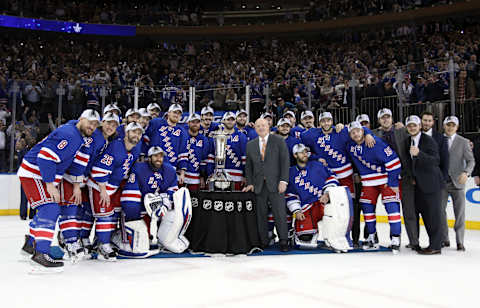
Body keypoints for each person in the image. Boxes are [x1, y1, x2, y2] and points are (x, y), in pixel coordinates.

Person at [18, 109, 100, 272]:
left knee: (47, 209)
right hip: (34, 174)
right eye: (90, 122)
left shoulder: (78, 135)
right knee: (50, 208)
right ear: (81, 119)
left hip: (37, 174)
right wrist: (49, 184)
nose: (92, 126)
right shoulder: (70, 134)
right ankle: (40, 254)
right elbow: (45, 157)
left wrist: (76, 185)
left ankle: (30, 245)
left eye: (95, 124)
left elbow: (77, 165)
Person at [57, 112, 120, 261]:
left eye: (114, 124)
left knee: (80, 210)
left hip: (79, 179)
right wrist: (76, 185)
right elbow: (80, 159)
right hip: (70, 177)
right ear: (101, 123)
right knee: (70, 208)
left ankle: (72, 239)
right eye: (108, 123)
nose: (111, 127)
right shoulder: (96, 137)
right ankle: (69, 243)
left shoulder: (103, 140)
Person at [86, 122, 143, 261]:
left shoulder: (135, 149)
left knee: (112, 216)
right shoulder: (116, 146)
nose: (136, 135)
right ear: (126, 133)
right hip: (99, 185)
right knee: (104, 215)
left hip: (113, 187)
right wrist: (103, 190)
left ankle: (102, 242)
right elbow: (99, 169)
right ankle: (102, 245)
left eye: (139, 133)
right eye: (133, 132)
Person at [347, 121, 402, 252]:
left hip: (385, 180)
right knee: (367, 208)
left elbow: (395, 162)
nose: (356, 134)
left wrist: (393, 183)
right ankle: (372, 236)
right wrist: (367, 132)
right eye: (353, 132)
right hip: (368, 182)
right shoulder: (350, 146)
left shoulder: (375, 143)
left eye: (358, 131)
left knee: (392, 207)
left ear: (362, 131)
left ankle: (395, 238)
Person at [244, 118, 290, 251]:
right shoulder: (251, 145)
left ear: (268, 126)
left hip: (276, 184)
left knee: (279, 213)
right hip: (259, 185)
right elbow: (249, 167)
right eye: (258, 126)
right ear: (255, 128)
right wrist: (250, 183)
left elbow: (285, 162)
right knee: (261, 214)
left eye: (263, 125)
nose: (261, 128)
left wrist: (283, 181)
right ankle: (263, 240)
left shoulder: (279, 141)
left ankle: (283, 240)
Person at [401, 115, 444, 255]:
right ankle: (432, 244)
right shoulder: (407, 141)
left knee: (433, 215)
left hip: (431, 184)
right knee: (425, 215)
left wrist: (420, 153)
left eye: (415, 125)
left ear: (420, 126)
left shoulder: (428, 140)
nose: (412, 127)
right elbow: (408, 162)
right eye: (409, 126)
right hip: (418, 186)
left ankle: (436, 246)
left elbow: (435, 160)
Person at [285, 143, 340, 248]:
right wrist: (296, 210)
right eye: (301, 152)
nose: (305, 154)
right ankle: (302, 232)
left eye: (306, 152)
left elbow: (332, 177)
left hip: (322, 203)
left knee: (334, 212)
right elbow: (290, 194)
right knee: (305, 238)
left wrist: (327, 193)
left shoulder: (317, 165)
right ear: (295, 155)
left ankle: (332, 237)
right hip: (306, 208)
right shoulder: (290, 173)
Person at [441, 116, 475, 251]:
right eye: (448, 125)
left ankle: (460, 241)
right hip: (442, 182)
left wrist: (466, 172)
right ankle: (444, 239)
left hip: (458, 182)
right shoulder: (438, 140)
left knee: (460, 213)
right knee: (440, 212)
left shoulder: (463, 142)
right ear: (444, 126)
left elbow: (471, 161)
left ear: (457, 127)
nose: (450, 127)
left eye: (453, 125)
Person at [420, 111, 450, 247]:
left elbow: (445, 161)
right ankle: (433, 242)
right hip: (420, 182)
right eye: (424, 120)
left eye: (429, 121)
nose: (426, 123)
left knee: (436, 213)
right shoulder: (415, 136)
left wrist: (442, 181)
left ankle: (439, 241)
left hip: (435, 182)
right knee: (427, 214)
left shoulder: (441, 138)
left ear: (433, 122)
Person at [144, 104, 188, 185]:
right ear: (168, 113)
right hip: (152, 166)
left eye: (179, 113)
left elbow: (183, 153)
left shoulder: (182, 132)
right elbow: (145, 140)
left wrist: (182, 172)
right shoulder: (156, 123)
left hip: (170, 168)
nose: (176, 115)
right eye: (175, 112)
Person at [209, 112, 247, 190]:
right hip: (218, 176)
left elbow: (244, 158)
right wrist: (210, 174)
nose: (230, 121)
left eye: (232, 120)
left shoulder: (241, 136)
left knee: (235, 200)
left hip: (237, 176)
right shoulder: (216, 136)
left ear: (235, 121)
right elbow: (211, 157)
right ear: (223, 121)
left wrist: (245, 175)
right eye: (228, 119)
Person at [183, 113, 211, 191]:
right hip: (180, 176)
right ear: (188, 123)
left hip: (195, 177)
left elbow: (204, 160)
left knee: (194, 202)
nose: (195, 124)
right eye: (193, 122)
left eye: (197, 122)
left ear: (200, 123)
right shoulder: (183, 136)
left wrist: (202, 177)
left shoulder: (204, 140)